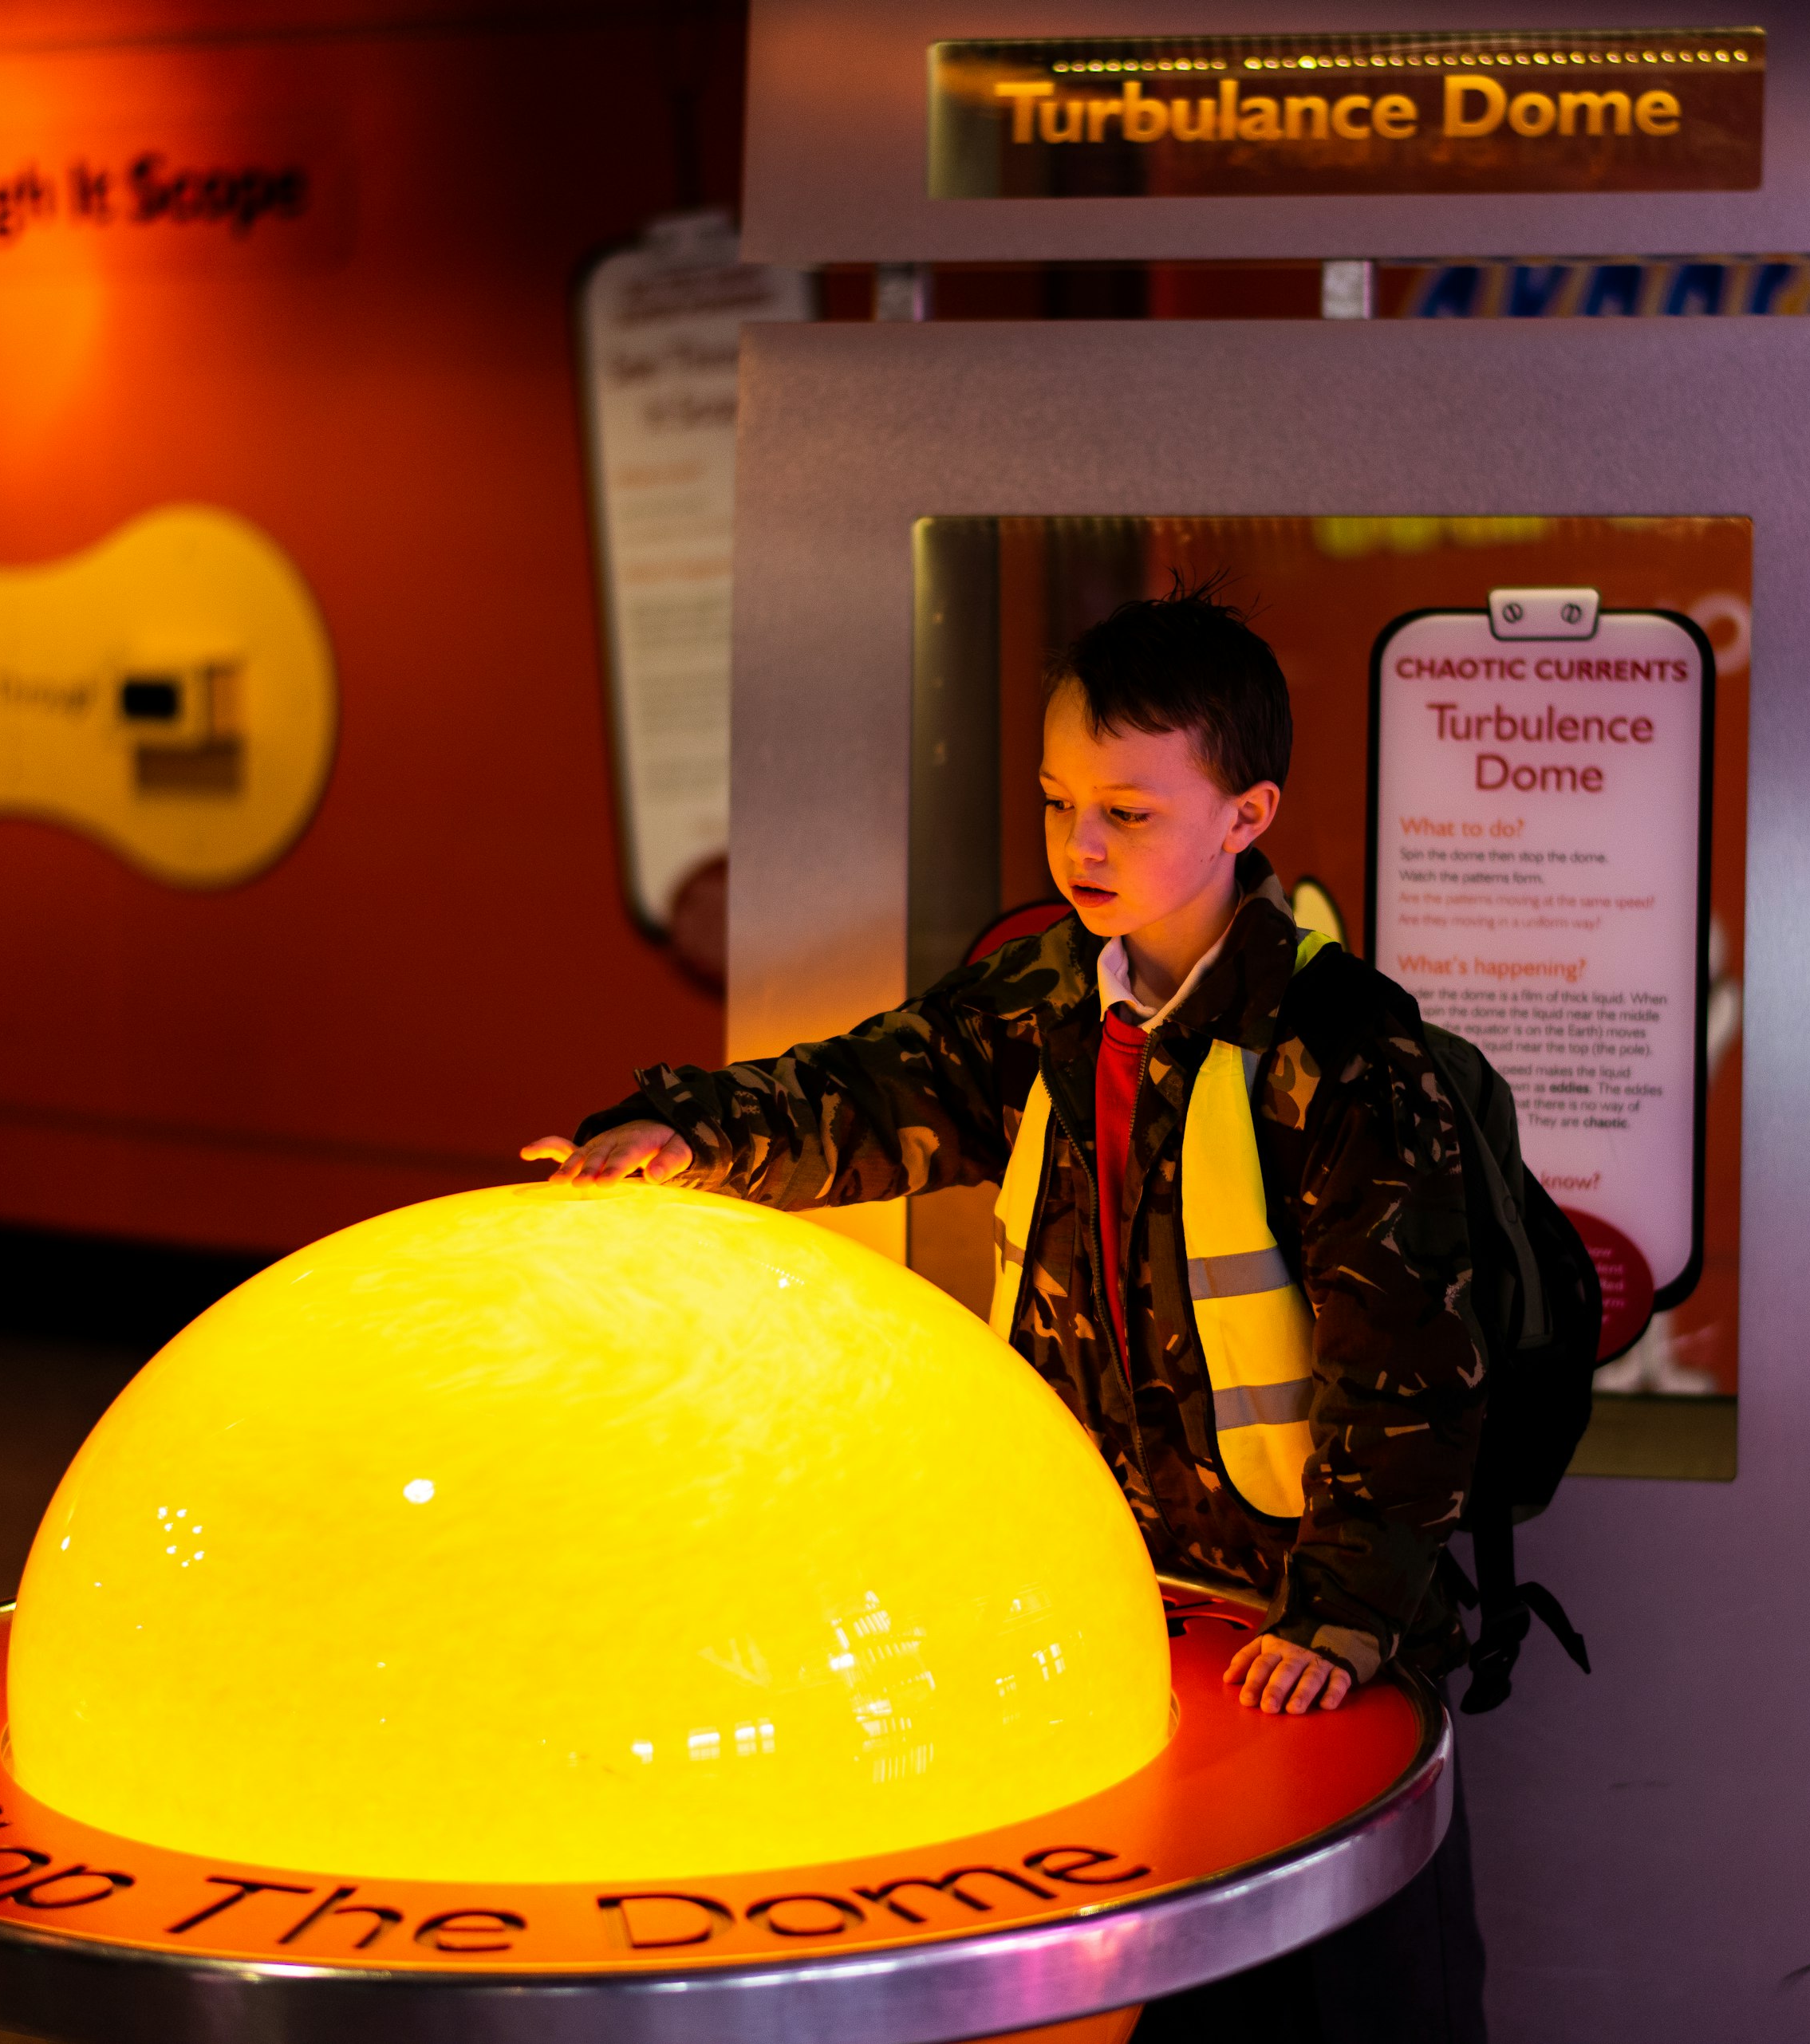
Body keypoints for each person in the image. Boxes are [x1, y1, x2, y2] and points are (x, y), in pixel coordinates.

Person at [526, 583, 1488, 2041]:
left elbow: (1408, 1369)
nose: (1081, 846)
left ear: (1248, 814)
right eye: (1057, 805)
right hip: (1110, 1603)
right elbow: (868, 1090)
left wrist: (1348, 1617)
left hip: (1302, 1631)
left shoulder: (1345, 1058)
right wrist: (686, 1133)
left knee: (1328, 1985)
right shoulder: (1045, 999)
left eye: (1128, 812)